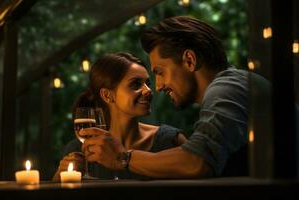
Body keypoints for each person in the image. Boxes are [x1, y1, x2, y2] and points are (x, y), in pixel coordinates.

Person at [80, 16, 269, 178]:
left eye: (160, 72)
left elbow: (196, 162)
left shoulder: (227, 88)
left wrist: (122, 158)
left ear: (189, 60)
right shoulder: (233, 86)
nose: (158, 86)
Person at [52, 52, 186, 181]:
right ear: (107, 95)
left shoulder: (170, 141)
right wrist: (59, 177)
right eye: (135, 84)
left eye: (147, 83)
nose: (148, 90)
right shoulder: (80, 151)